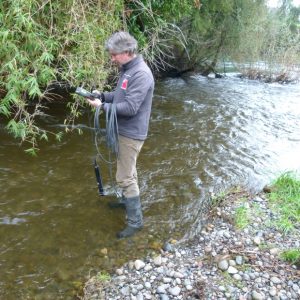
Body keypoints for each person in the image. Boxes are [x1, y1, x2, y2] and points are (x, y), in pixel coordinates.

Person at [87, 31, 154, 238]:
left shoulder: (141, 73)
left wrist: (103, 106)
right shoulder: (128, 70)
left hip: (131, 134)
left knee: (124, 177)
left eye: (114, 54)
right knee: (129, 172)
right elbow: (119, 96)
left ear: (127, 52)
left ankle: (136, 222)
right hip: (122, 131)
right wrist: (103, 95)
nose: (112, 58)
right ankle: (127, 203)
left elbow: (131, 107)